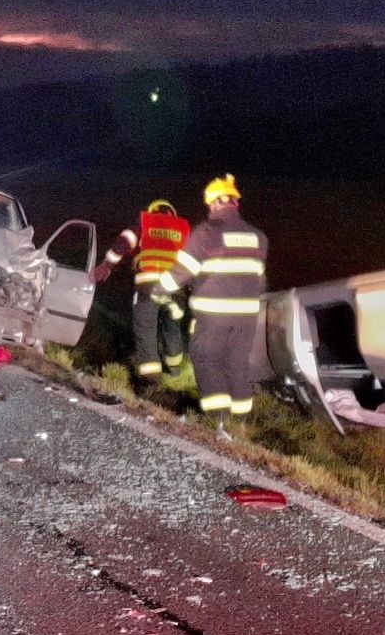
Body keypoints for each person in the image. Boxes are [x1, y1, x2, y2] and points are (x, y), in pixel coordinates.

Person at [151, 174, 268, 439]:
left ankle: (217, 421)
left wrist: (160, 289)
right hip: (247, 316)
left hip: (215, 314)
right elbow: (259, 278)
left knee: (206, 358)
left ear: (214, 203)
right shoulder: (258, 238)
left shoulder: (207, 233)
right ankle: (240, 425)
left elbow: (184, 270)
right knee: (237, 364)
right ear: (235, 203)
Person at [92, 199, 191, 382]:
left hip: (149, 286)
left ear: (153, 211)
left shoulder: (145, 221)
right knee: (172, 328)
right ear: (172, 214)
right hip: (176, 289)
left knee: (146, 330)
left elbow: (124, 242)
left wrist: (106, 266)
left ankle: (151, 380)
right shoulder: (184, 228)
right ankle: (175, 370)